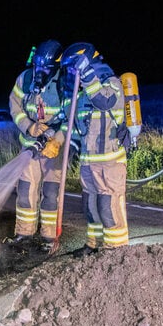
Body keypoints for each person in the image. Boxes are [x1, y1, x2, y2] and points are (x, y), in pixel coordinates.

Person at [61, 42, 129, 254]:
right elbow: (79, 128)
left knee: (108, 208)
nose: (71, 73)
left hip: (109, 163)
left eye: (74, 67)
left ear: (85, 64)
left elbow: (104, 101)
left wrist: (87, 75)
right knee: (90, 206)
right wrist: (66, 142)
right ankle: (93, 245)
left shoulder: (112, 84)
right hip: (88, 162)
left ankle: (115, 250)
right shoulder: (81, 96)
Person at [6, 39, 69, 249]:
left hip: (53, 149)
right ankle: (24, 233)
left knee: (51, 192)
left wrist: (57, 141)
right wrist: (29, 126)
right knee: (25, 189)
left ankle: (49, 237)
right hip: (29, 146)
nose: (40, 71)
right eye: (38, 66)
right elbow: (14, 106)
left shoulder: (65, 82)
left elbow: (72, 118)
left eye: (46, 68)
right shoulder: (24, 79)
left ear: (56, 67)